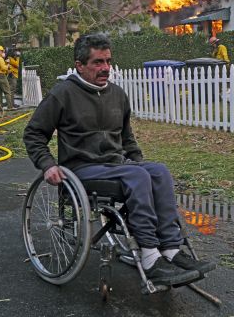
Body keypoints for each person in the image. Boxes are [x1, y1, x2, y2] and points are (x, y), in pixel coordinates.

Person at [23, 33, 215, 287]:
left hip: (116, 165)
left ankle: (170, 249)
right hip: (82, 168)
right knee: (137, 176)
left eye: (108, 61)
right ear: (80, 65)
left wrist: (139, 163)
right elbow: (33, 134)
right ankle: (149, 256)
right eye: (97, 63)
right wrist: (48, 165)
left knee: (158, 171)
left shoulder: (117, 94)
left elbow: (127, 138)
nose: (105, 69)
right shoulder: (63, 94)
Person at [0, 45, 16, 111]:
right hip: (1, 76)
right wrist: (8, 64)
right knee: (7, 91)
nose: (3, 52)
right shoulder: (0, 59)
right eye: (2, 51)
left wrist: (5, 62)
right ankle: (10, 107)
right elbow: (3, 68)